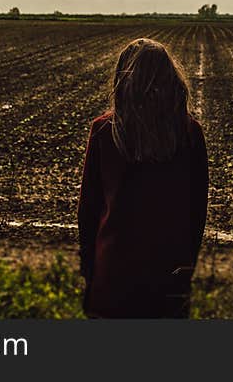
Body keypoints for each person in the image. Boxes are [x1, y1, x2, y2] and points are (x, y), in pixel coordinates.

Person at [77, 38, 209, 318]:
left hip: (112, 275)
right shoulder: (190, 134)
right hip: (168, 276)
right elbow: (196, 213)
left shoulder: (104, 131)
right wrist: (186, 269)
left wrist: (89, 270)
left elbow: (88, 211)